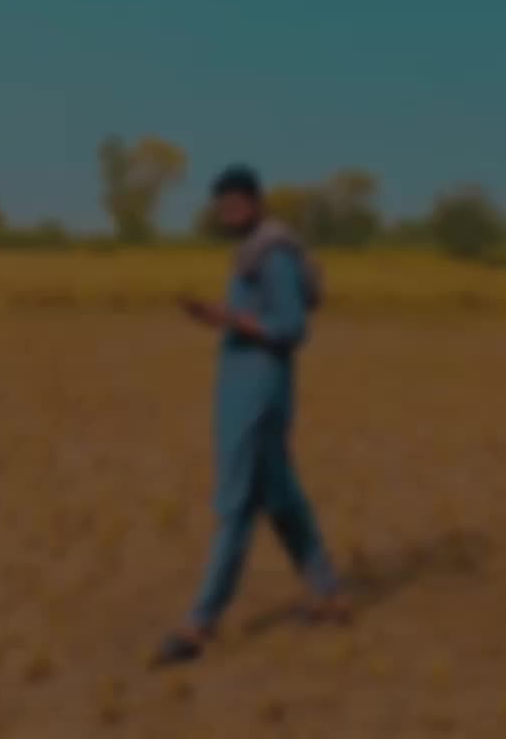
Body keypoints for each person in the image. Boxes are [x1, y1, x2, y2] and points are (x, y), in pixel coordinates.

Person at [151, 165, 347, 666]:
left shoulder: (273, 253)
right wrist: (220, 318)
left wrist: (230, 319)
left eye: (236, 203)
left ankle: (200, 622)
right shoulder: (251, 252)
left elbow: (292, 327)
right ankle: (327, 591)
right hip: (243, 392)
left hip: (259, 395)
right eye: (222, 206)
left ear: (256, 202)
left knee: (236, 502)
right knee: (279, 496)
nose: (228, 212)